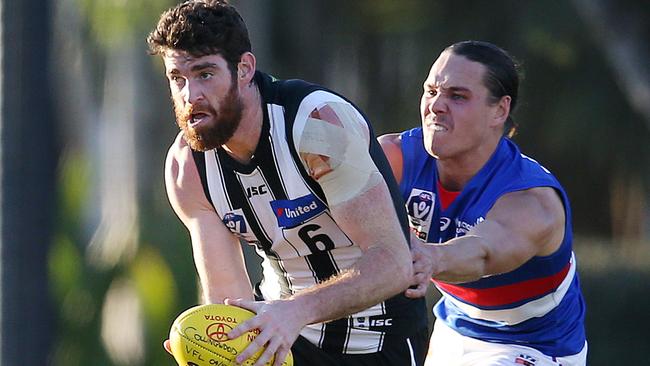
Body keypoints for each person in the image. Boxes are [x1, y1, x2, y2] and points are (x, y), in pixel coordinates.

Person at [146, 1, 428, 365]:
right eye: (177, 78)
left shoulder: (316, 124)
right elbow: (227, 298)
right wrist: (215, 346)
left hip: (378, 342)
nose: (190, 96)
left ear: (244, 69)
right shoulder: (187, 168)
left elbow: (394, 264)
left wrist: (295, 311)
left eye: (205, 74)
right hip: (282, 340)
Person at [379, 40, 588, 366]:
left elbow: (483, 251)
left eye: (457, 96)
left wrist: (431, 257)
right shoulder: (396, 156)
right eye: (431, 91)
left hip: (535, 347)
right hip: (455, 329)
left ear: (500, 110)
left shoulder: (533, 200)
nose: (436, 106)